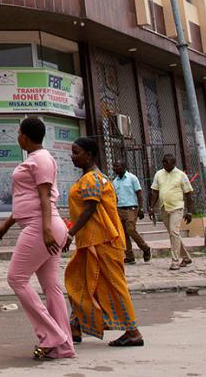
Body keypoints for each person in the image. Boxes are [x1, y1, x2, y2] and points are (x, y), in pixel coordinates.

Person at [0, 117, 74, 361]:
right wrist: (7, 224)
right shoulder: (33, 160)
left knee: (16, 278)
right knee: (51, 287)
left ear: (25, 136)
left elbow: (45, 196)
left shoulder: (42, 159)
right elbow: (26, 198)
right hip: (39, 225)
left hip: (42, 227)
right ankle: (64, 345)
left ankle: (52, 336)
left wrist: (46, 230)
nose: (17, 137)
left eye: (18, 133)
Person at [63, 137, 144, 348]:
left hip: (101, 241)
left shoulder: (92, 179)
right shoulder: (98, 178)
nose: (72, 156)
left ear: (89, 155)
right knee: (80, 283)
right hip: (91, 242)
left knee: (114, 286)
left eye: (76, 152)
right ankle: (76, 325)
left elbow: (89, 209)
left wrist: (69, 233)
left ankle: (133, 332)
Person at [150, 153, 194, 270]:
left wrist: (189, 212)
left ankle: (175, 261)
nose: (164, 164)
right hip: (164, 207)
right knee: (173, 234)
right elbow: (154, 191)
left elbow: (188, 194)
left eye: (166, 162)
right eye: (163, 162)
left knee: (174, 232)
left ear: (173, 163)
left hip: (177, 207)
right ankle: (186, 257)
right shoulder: (159, 174)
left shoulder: (181, 175)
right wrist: (151, 207)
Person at [111, 159, 151, 264]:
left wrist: (141, 208)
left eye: (117, 166)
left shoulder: (132, 178)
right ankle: (129, 256)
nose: (114, 168)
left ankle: (145, 248)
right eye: (114, 166)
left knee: (130, 229)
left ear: (123, 167)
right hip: (119, 209)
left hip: (131, 208)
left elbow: (139, 193)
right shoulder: (114, 182)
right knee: (123, 233)